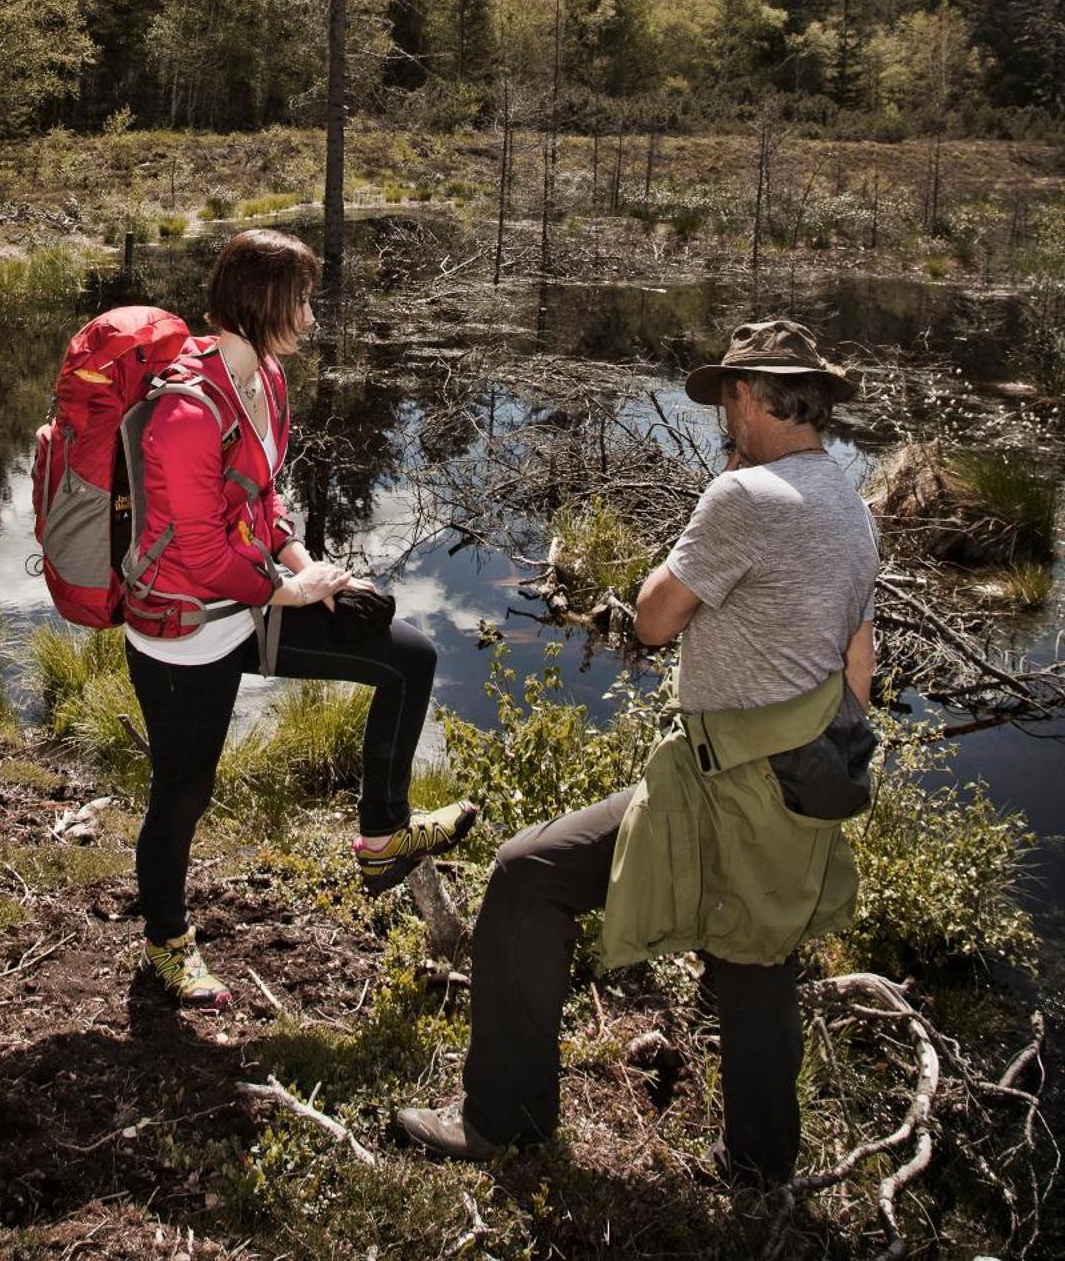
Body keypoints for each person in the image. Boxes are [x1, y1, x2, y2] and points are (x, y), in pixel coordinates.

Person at [396, 318, 879, 1186]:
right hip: (803, 779)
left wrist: (705, 513)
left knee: (525, 876)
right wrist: (821, 773)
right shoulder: (848, 502)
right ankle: (759, 1171)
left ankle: (500, 1121)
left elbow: (654, 621)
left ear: (745, 395)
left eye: (726, 395)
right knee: (755, 957)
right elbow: (858, 664)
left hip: (721, 779)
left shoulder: (743, 496)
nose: (723, 412)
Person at [125, 227, 476, 1007]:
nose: (311, 319)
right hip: (182, 629)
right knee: (182, 794)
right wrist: (291, 589)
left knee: (407, 657)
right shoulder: (184, 413)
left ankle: (383, 839)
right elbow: (197, 554)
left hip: (250, 600)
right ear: (261, 305)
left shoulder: (266, 380)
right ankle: (166, 944)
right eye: (302, 302)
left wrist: (302, 565)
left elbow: (264, 496)